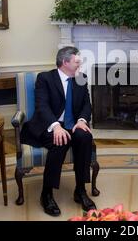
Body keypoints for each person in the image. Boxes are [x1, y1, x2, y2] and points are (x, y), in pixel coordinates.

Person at [20, 46, 96, 216]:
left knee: (84, 136)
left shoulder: (81, 78)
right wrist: (56, 126)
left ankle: (80, 190)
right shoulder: (45, 78)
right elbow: (42, 106)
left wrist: (82, 120)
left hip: (73, 124)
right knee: (60, 140)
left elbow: (86, 104)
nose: (80, 64)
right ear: (65, 62)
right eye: (77, 61)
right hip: (49, 124)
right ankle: (46, 194)